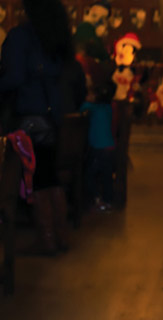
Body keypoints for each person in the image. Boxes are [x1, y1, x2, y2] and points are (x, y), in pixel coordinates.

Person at [0, 0, 81, 255]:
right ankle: (61, 236)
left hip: (28, 116)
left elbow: (13, 78)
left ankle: (47, 239)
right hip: (51, 115)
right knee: (49, 175)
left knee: (36, 177)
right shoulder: (54, 35)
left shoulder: (21, 36)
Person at [79, 67, 116, 213]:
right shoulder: (108, 108)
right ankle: (108, 201)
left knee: (90, 175)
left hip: (97, 148)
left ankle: (97, 199)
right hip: (109, 147)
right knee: (107, 176)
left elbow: (82, 108)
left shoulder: (92, 108)